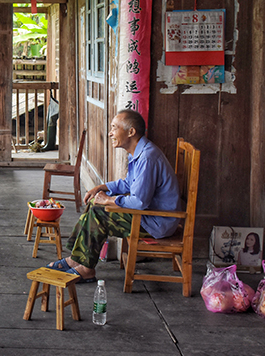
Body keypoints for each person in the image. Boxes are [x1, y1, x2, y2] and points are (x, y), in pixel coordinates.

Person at [47, 110, 181, 282]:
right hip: (149, 215)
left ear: (131, 132)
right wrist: (101, 187)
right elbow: (128, 184)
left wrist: (109, 199)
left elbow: (139, 202)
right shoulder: (140, 152)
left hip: (157, 222)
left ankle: (86, 268)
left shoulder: (147, 157)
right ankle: (76, 259)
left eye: (114, 128)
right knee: (94, 205)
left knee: (99, 213)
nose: (110, 133)